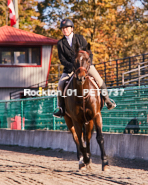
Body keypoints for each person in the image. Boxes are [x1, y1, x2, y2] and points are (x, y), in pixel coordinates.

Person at [53, 19, 116, 118]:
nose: (65, 30)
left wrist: (87, 64)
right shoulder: (60, 43)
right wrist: (73, 67)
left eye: (66, 28)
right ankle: (60, 108)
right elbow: (62, 59)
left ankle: (108, 101)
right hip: (70, 69)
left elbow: (89, 53)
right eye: (63, 28)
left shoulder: (80, 38)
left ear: (72, 28)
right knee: (60, 85)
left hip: (85, 66)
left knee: (99, 80)